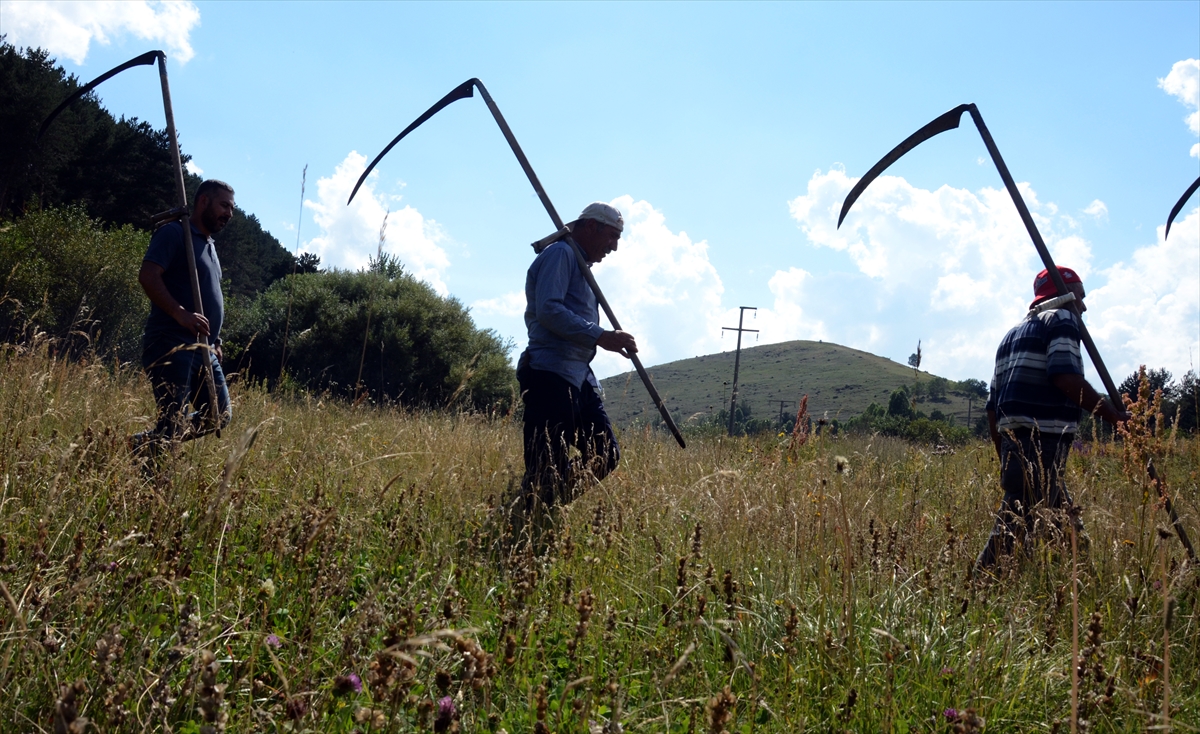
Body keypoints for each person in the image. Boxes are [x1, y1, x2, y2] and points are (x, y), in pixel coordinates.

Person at [974, 265, 1128, 573]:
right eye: (1080, 297)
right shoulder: (1062, 319)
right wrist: (1115, 418)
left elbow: (993, 406)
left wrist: (1003, 450)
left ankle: (1084, 585)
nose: (1083, 306)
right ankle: (979, 587)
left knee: (1064, 527)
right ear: (1064, 295)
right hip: (1041, 443)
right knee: (1012, 528)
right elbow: (1065, 378)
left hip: (1014, 442)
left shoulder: (1011, 335)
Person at [517, 202, 637, 514]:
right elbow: (549, 310)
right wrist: (602, 336)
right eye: (611, 236)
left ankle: (546, 507)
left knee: (605, 454)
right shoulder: (561, 254)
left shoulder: (582, 266)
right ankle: (534, 509)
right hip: (549, 374)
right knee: (546, 463)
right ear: (590, 227)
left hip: (578, 377)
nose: (614, 247)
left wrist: (602, 338)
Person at [130, 179, 235, 453]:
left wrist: (217, 340)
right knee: (173, 421)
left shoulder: (209, 246)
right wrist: (181, 314)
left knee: (219, 416)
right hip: (171, 342)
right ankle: (150, 480)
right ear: (203, 201)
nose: (229, 214)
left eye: (232, 209)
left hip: (204, 349)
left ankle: (140, 444)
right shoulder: (175, 234)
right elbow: (148, 276)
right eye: (224, 205)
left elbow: (209, 294)